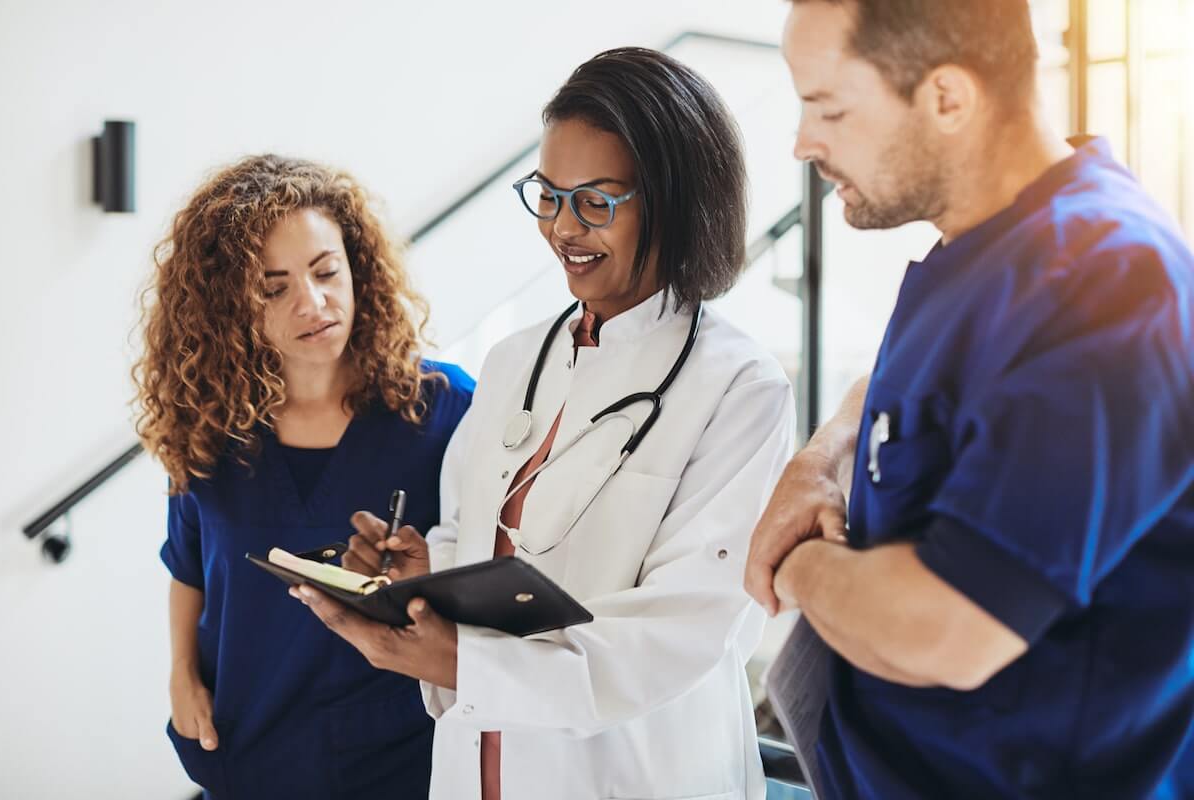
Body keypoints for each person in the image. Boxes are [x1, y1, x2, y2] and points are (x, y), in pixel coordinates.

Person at [291, 47, 795, 799]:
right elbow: (470, 536)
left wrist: (457, 660)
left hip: (638, 775)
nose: (562, 227)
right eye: (549, 195)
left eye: (596, 200)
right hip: (484, 765)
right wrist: (418, 580)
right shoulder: (514, 362)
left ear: (676, 200)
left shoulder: (738, 387)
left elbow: (679, 633)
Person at [744, 1, 1194, 797]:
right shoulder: (977, 246)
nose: (803, 143)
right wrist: (820, 461)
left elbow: (948, 630)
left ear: (949, 98)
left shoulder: (1105, 281)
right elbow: (903, 393)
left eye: (829, 109)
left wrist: (800, 563)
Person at [133, 155, 473, 799]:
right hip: (247, 746)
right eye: (274, 287)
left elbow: (481, 568)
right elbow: (189, 570)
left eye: (326, 272)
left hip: (395, 758)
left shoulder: (442, 409)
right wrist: (181, 676)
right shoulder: (209, 427)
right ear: (230, 302)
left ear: (357, 267)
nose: (313, 304)